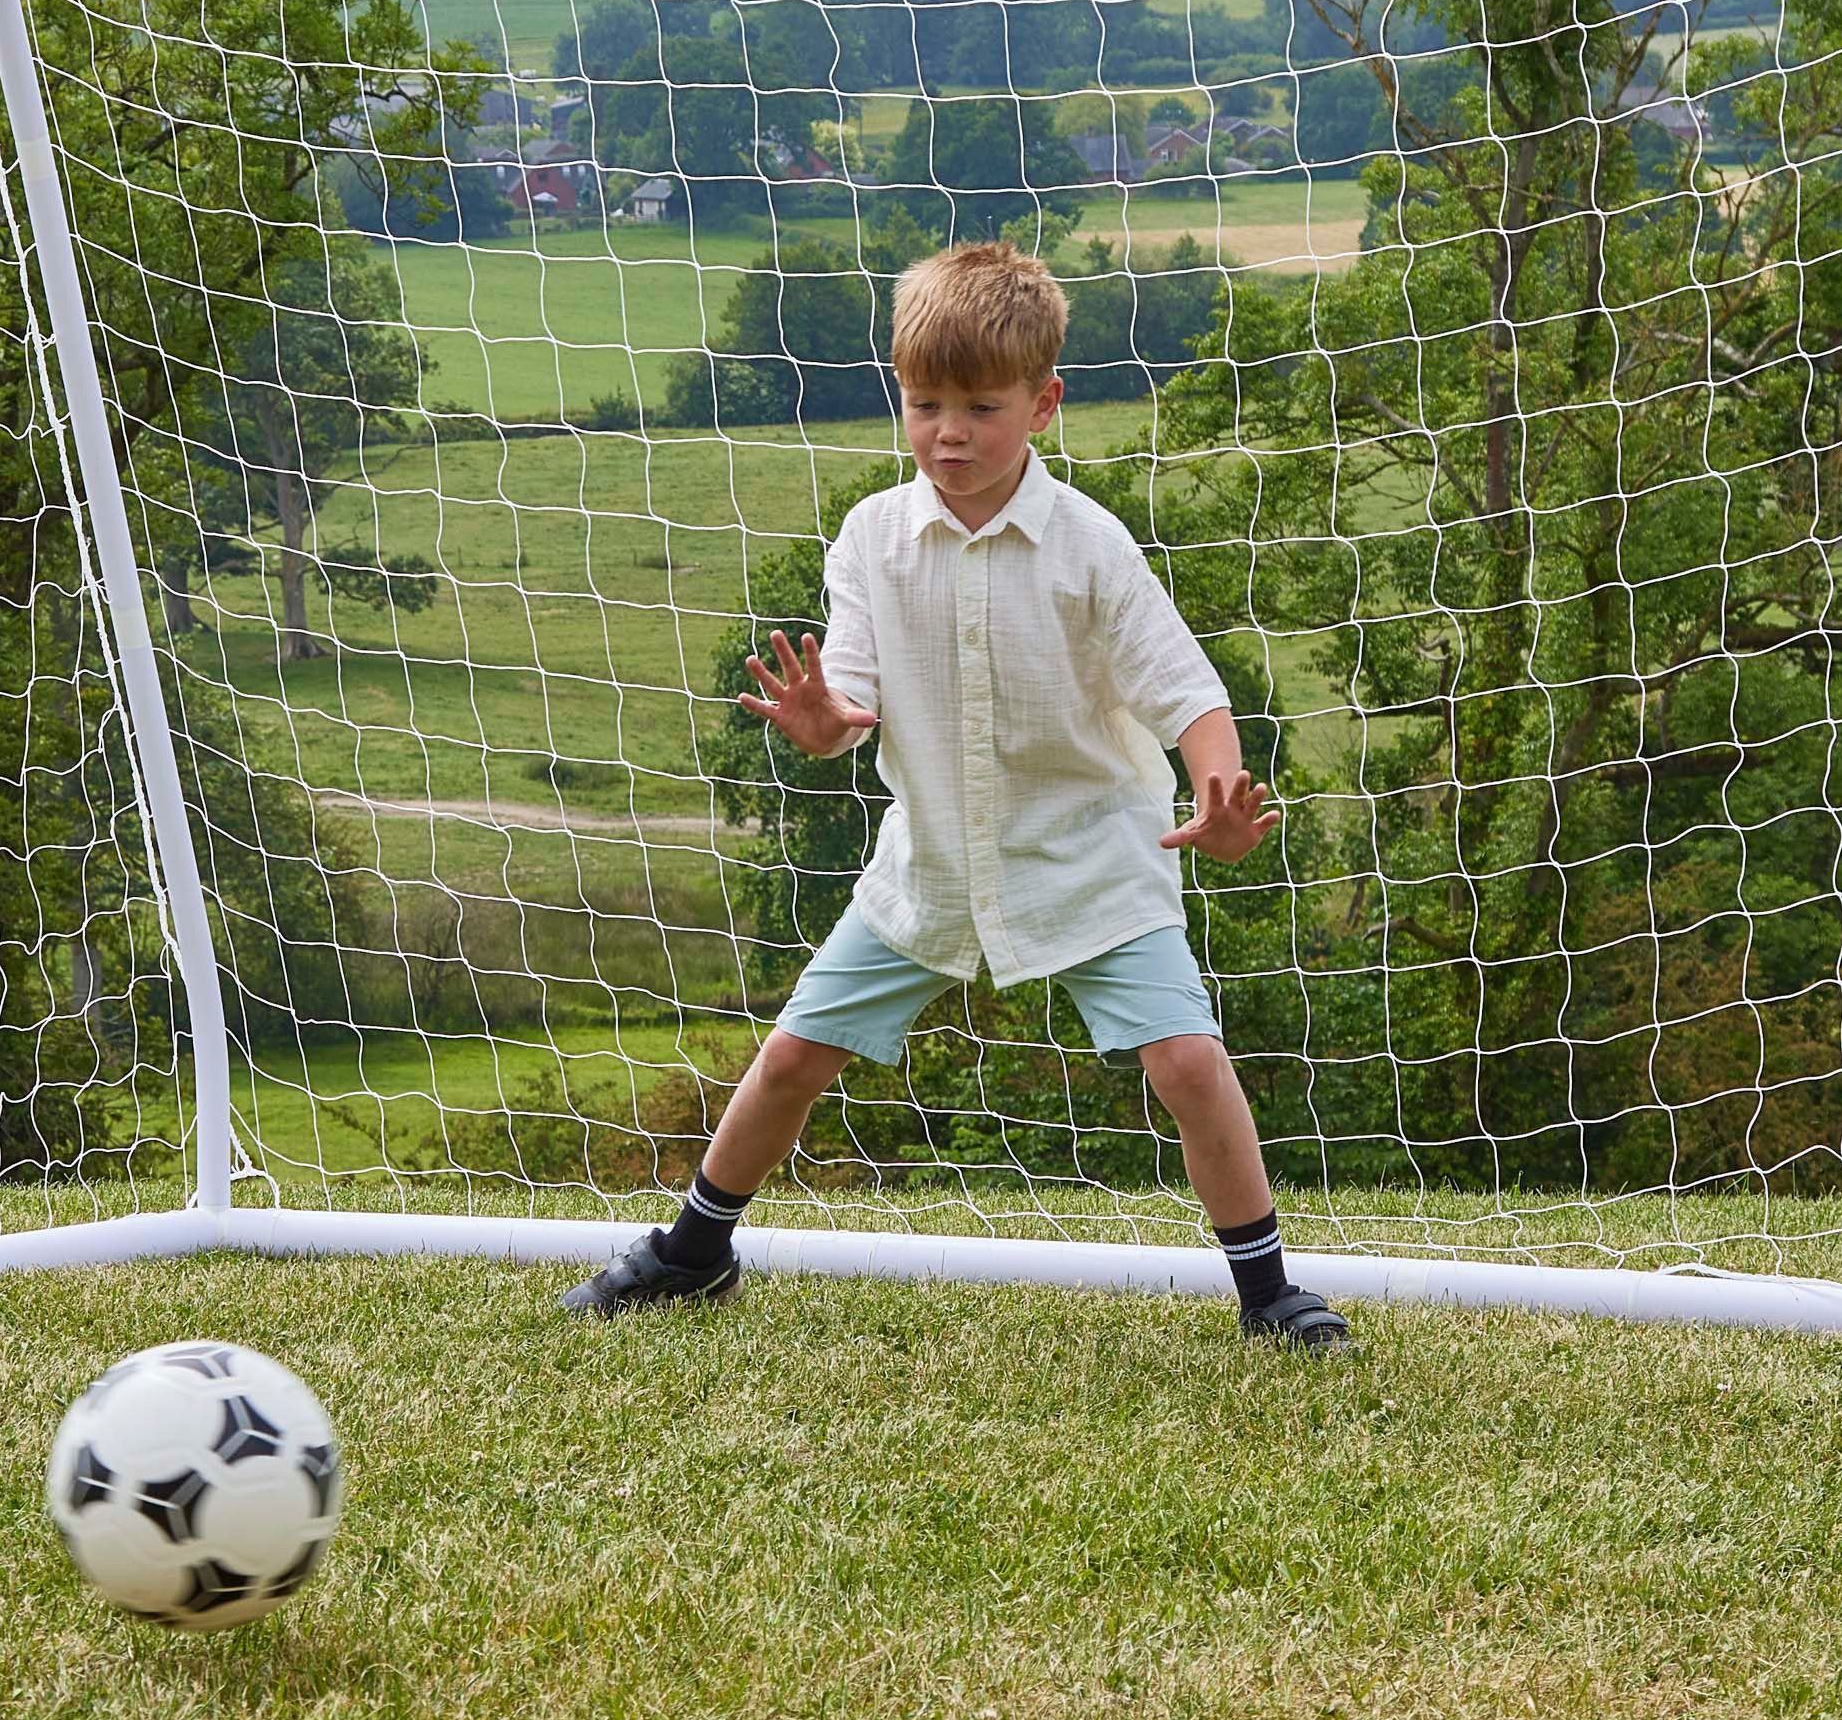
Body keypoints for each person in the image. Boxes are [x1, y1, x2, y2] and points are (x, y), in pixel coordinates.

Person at [569, 239, 1346, 1351]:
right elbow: (850, 698)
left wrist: (1218, 797)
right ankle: (692, 1253)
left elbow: (1188, 694)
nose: (950, 432)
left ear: (1044, 404)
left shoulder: (1091, 546)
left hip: (1093, 855)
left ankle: (1269, 1293)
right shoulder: (871, 538)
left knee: (1185, 1060)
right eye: (926, 403)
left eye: (982, 407)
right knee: (792, 1057)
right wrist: (822, 721)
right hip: (931, 860)